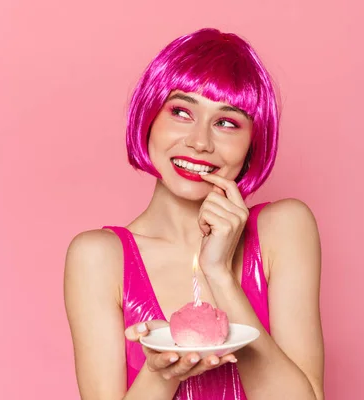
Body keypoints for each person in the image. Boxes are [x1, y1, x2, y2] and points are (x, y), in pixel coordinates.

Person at [64, 28, 324, 400]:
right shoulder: (98, 257)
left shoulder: (284, 229)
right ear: (150, 116)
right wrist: (162, 372)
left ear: (253, 142)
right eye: (182, 112)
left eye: (226, 123)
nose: (200, 142)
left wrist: (219, 272)